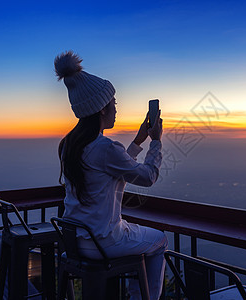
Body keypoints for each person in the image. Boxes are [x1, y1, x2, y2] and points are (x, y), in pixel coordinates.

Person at [54, 51, 167, 300]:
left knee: (137, 233)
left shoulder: (69, 145)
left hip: (76, 241)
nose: (116, 108)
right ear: (101, 108)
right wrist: (156, 142)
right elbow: (147, 177)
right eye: (114, 103)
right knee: (159, 241)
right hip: (102, 241)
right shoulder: (105, 148)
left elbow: (113, 168)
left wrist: (138, 141)